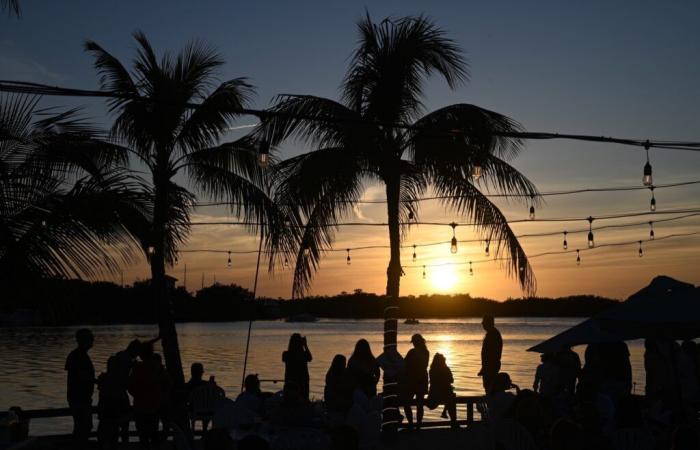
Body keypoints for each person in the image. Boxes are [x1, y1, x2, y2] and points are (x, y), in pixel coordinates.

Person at [128, 342, 169, 449]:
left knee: (143, 437)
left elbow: (130, 386)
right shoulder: (158, 367)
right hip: (154, 406)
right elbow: (168, 383)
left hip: (140, 406)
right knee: (154, 434)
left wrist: (138, 394)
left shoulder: (137, 368)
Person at [65, 328, 95, 449]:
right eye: (90, 338)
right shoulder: (77, 356)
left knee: (83, 426)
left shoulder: (79, 355)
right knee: (83, 426)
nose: (93, 340)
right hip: (79, 398)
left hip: (81, 397)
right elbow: (81, 378)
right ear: (83, 340)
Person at [97, 356, 130, 450]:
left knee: (106, 437)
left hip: (108, 413)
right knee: (111, 438)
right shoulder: (118, 380)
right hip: (112, 413)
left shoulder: (104, 378)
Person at [400, 334, 429, 430]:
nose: (413, 344)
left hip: (413, 380)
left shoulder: (413, 352)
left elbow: (404, 364)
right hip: (421, 380)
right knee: (419, 404)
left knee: (407, 402)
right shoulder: (426, 352)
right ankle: (417, 426)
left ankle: (412, 424)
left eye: (414, 342)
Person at [425, 353, 457, 428]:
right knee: (451, 396)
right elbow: (451, 380)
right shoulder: (446, 369)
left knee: (449, 395)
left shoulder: (432, 370)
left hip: (434, 394)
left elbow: (434, 382)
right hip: (441, 394)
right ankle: (453, 421)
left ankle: (447, 414)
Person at [282, 333, 313, 401]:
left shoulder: (286, 354)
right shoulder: (303, 355)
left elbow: (309, 358)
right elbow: (310, 358)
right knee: (304, 399)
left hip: (290, 380)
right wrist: (305, 345)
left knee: (289, 399)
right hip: (303, 381)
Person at [479, 315, 502, 393]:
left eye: (484, 323)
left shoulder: (493, 334)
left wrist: (486, 367)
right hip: (489, 366)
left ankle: (491, 403)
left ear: (488, 323)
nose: (483, 325)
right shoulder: (491, 333)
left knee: (490, 387)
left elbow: (491, 353)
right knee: (488, 386)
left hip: (491, 366)